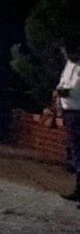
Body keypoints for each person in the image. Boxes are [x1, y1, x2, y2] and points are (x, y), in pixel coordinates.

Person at [57, 42, 80, 207]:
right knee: (76, 152)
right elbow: (63, 82)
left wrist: (68, 92)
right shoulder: (69, 65)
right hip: (69, 111)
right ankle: (78, 190)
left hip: (78, 111)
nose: (66, 55)